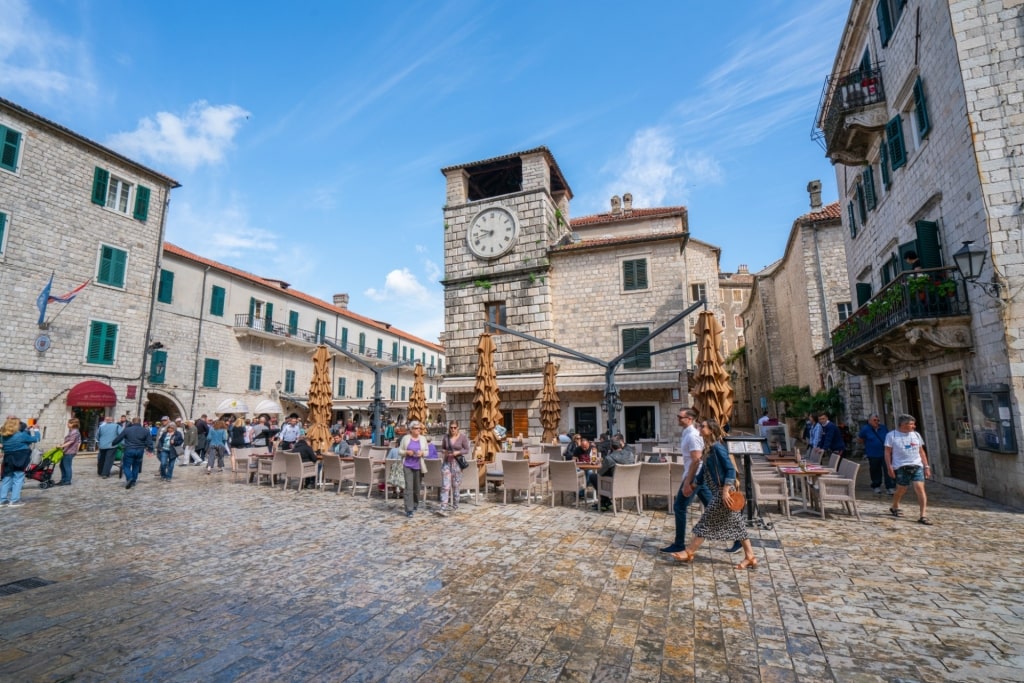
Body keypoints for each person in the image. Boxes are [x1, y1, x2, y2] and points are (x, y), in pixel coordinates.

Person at [670, 419, 758, 570]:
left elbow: (730, 469)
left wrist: (725, 491)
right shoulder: (708, 449)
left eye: (703, 426)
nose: (699, 429)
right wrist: (692, 485)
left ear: (711, 430)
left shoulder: (718, 448)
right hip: (719, 491)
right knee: (737, 525)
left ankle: (689, 552)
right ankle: (750, 556)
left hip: (723, 492)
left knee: (706, 521)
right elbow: (704, 472)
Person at [661, 408, 711, 553]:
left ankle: (679, 543)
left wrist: (689, 482)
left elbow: (696, 460)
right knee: (714, 507)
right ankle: (739, 540)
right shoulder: (687, 433)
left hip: (695, 476)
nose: (677, 419)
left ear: (689, 419)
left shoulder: (693, 436)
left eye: (680, 417)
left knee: (679, 507)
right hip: (698, 476)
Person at [885, 414, 933, 525]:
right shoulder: (891, 436)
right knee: (901, 489)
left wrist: (926, 466)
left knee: (920, 488)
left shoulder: (916, 435)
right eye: (911, 424)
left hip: (917, 465)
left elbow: (921, 451)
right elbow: (887, 452)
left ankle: (923, 515)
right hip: (901, 466)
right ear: (903, 424)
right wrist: (889, 467)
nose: (914, 426)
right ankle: (895, 506)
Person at [1, 417, 41, 507]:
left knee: (7, 478)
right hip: (20, 457)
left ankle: (2, 500)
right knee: (18, 478)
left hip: (8, 458)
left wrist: (27, 430)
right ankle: (14, 500)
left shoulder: (4, 435)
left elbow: (3, 446)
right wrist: (36, 429)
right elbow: (36, 439)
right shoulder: (21, 435)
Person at [591, 434, 635, 511]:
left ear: (611, 447)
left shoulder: (609, 458)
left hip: (615, 485)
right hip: (629, 483)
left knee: (593, 477)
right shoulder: (630, 455)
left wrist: (603, 464)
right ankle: (605, 502)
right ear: (621, 445)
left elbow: (600, 473)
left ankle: (605, 501)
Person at [437, 420, 470, 517]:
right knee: (445, 486)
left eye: (455, 427)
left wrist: (458, 452)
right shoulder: (446, 437)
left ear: (458, 428)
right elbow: (442, 448)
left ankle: (455, 505)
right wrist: (444, 451)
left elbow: (467, 449)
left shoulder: (462, 437)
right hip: (447, 463)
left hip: (457, 464)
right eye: (451, 427)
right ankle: (443, 507)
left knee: (456, 486)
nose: (453, 429)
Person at [112, 417, 154, 489]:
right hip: (140, 450)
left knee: (126, 466)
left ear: (132, 422)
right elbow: (150, 442)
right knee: (136, 466)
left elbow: (119, 438)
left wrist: (113, 443)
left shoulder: (127, 430)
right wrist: (150, 450)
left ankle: (129, 478)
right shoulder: (145, 431)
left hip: (129, 449)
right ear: (140, 422)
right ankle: (134, 481)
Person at [398, 420, 429, 518]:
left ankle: (415, 504)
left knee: (417, 488)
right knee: (408, 488)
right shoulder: (406, 438)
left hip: (418, 466)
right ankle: (409, 509)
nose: (418, 430)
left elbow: (427, 452)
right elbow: (400, 451)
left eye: (419, 428)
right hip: (407, 465)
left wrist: (422, 453)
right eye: (416, 428)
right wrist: (407, 452)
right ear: (411, 429)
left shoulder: (423, 439)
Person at [858, 414, 893, 494]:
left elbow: (888, 437)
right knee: (875, 470)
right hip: (873, 454)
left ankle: (890, 487)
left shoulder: (883, 428)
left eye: (878, 420)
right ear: (869, 421)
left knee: (888, 469)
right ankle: (876, 486)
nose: (877, 422)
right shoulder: (866, 429)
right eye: (874, 420)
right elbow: (860, 439)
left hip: (885, 453)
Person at [58, 417, 82, 485]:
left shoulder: (74, 432)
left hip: (70, 451)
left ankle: (67, 480)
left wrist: (61, 446)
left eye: (69, 423)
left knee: (67, 466)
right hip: (67, 450)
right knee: (62, 465)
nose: (67, 424)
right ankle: (63, 479)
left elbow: (71, 441)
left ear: (73, 424)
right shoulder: (72, 431)